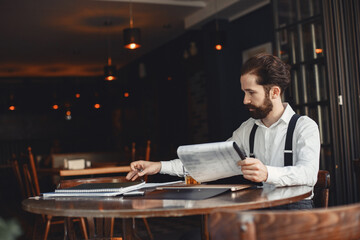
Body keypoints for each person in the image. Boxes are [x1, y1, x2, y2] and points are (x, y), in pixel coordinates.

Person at [126, 53, 320, 209]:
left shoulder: (304, 127)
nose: (245, 100)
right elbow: (207, 163)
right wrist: (159, 166)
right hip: (258, 212)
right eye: (244, 92)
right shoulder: (247, 130)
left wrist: (267, 173)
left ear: (275, 92)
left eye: (251, 92)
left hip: (295, 213)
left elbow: (309, 174)